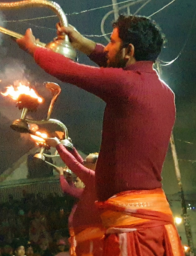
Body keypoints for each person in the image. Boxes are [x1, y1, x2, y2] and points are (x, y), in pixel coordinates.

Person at [16, 15, 182, 256]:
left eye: (112, 42)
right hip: (141, 225)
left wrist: (33, 48)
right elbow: (110, 60)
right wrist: (81, 42)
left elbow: (68, 70)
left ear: (129, 50)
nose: (108, 47)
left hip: (136, 233)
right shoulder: (159, 89)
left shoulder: (127, 85)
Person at [50, 142, 102, 256]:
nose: (83, 163)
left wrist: (59, 146)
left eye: (86, 162)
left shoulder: (95, 180)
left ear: (96, 164)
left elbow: (75, 165)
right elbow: (79, 163)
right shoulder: (93, 179)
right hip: (84, 236)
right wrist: (71, 148)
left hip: (92, 238)